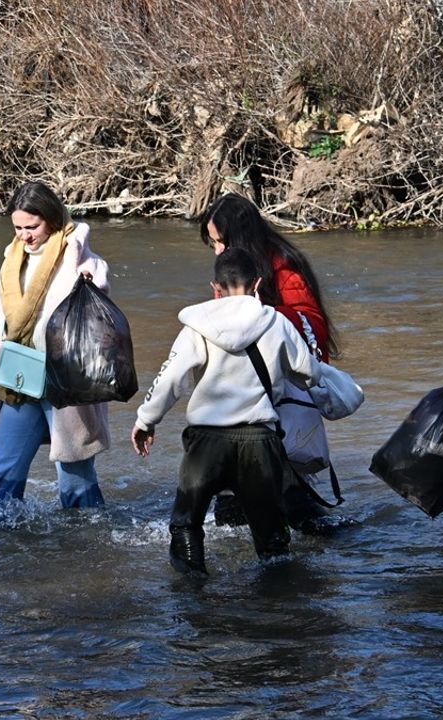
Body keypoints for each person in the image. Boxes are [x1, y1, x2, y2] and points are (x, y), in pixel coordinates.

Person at [131, 247, 321, 577]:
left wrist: (146, 420)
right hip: (260, 441)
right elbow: (309, 373)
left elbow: (170, 379)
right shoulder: (276, 323)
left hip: (207, 442)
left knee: (186, 525)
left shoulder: (197, 326)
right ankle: (279, 607)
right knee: (271, 537)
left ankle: (194, 600)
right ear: (257, 285)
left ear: (214, 288)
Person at [0, 181, 111, 509]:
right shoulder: (13, 259)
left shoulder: (81, 259)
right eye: (18, 228)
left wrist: (89, 287)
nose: (24, 235)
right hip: (20, 379)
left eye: (32, 227)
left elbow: (99, 309)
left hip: (61, 385)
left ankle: (89, 540)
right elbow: (13, 314)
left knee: (74, 472)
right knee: (2, 472)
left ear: (50, 219)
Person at [199, 193, 341, 531]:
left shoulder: (284, 267)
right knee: (237, 491)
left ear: (241, 237)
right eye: (214, 245)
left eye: (221, 242)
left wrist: (259, 314)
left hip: (280, 390)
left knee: (285, 490)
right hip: (241, 391)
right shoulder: (235, 269)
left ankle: (302, 548)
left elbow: (313, 327)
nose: (217, 251)